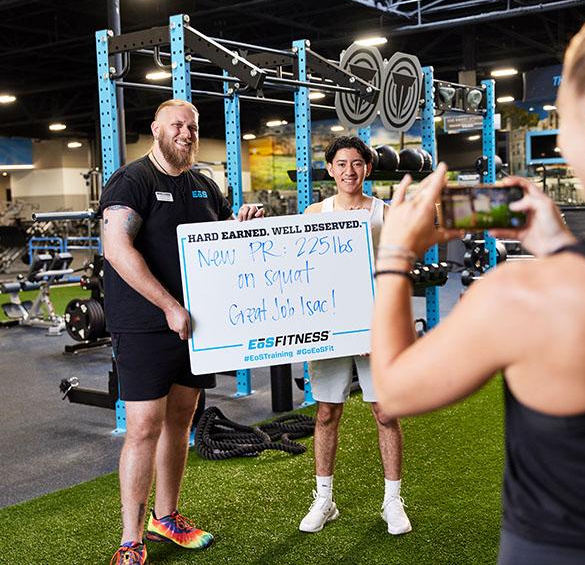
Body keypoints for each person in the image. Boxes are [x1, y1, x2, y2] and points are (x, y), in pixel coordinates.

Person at [371, 0, 585, 565]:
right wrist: (560, 250)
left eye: (561, 117)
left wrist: (394, 254)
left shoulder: (528, 298)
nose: (560, 142)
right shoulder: (559, 285)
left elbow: (397, 389)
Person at [101, 99, 263, 565]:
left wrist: (240, 227)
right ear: (156, 129)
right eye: (177, 125)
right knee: (144, 428)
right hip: (145, 325)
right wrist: (169, 305)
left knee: (181, 420)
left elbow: (217, 245)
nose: (187, 134)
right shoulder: (133, 181)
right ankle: (131, 538)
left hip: (196, 325)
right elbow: (116, 247)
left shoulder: (204, 186)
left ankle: (165, 517)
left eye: (192, 127)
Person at [299, 135, 411, 535]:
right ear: (330, 170)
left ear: (367, 168)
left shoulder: (386, 212)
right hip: (330, 327)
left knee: (385, 412)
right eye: (341, 164)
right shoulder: (315, 211)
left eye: (357, 164)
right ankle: (324, 500)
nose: (349, 171)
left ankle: (392, 502)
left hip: (375, 329)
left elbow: (403, 264)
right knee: (327, 411)